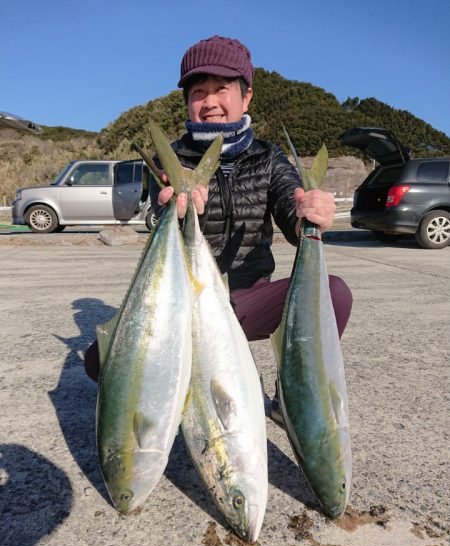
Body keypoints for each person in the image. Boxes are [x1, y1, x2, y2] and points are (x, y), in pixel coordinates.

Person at [84, 35, 352, 423]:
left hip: (248, 299)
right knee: (99, 362)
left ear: (246, 97)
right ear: (188, 102)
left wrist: (307, 213)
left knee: (334, 294)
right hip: (186, 302)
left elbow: (289, 211)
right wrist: (175, 212)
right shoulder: (170, 159)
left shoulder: (269, 156)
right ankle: (182, 390)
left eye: (221, 89)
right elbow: (159, 226)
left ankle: (290, 395)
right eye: (198, 91)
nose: (209, 102)